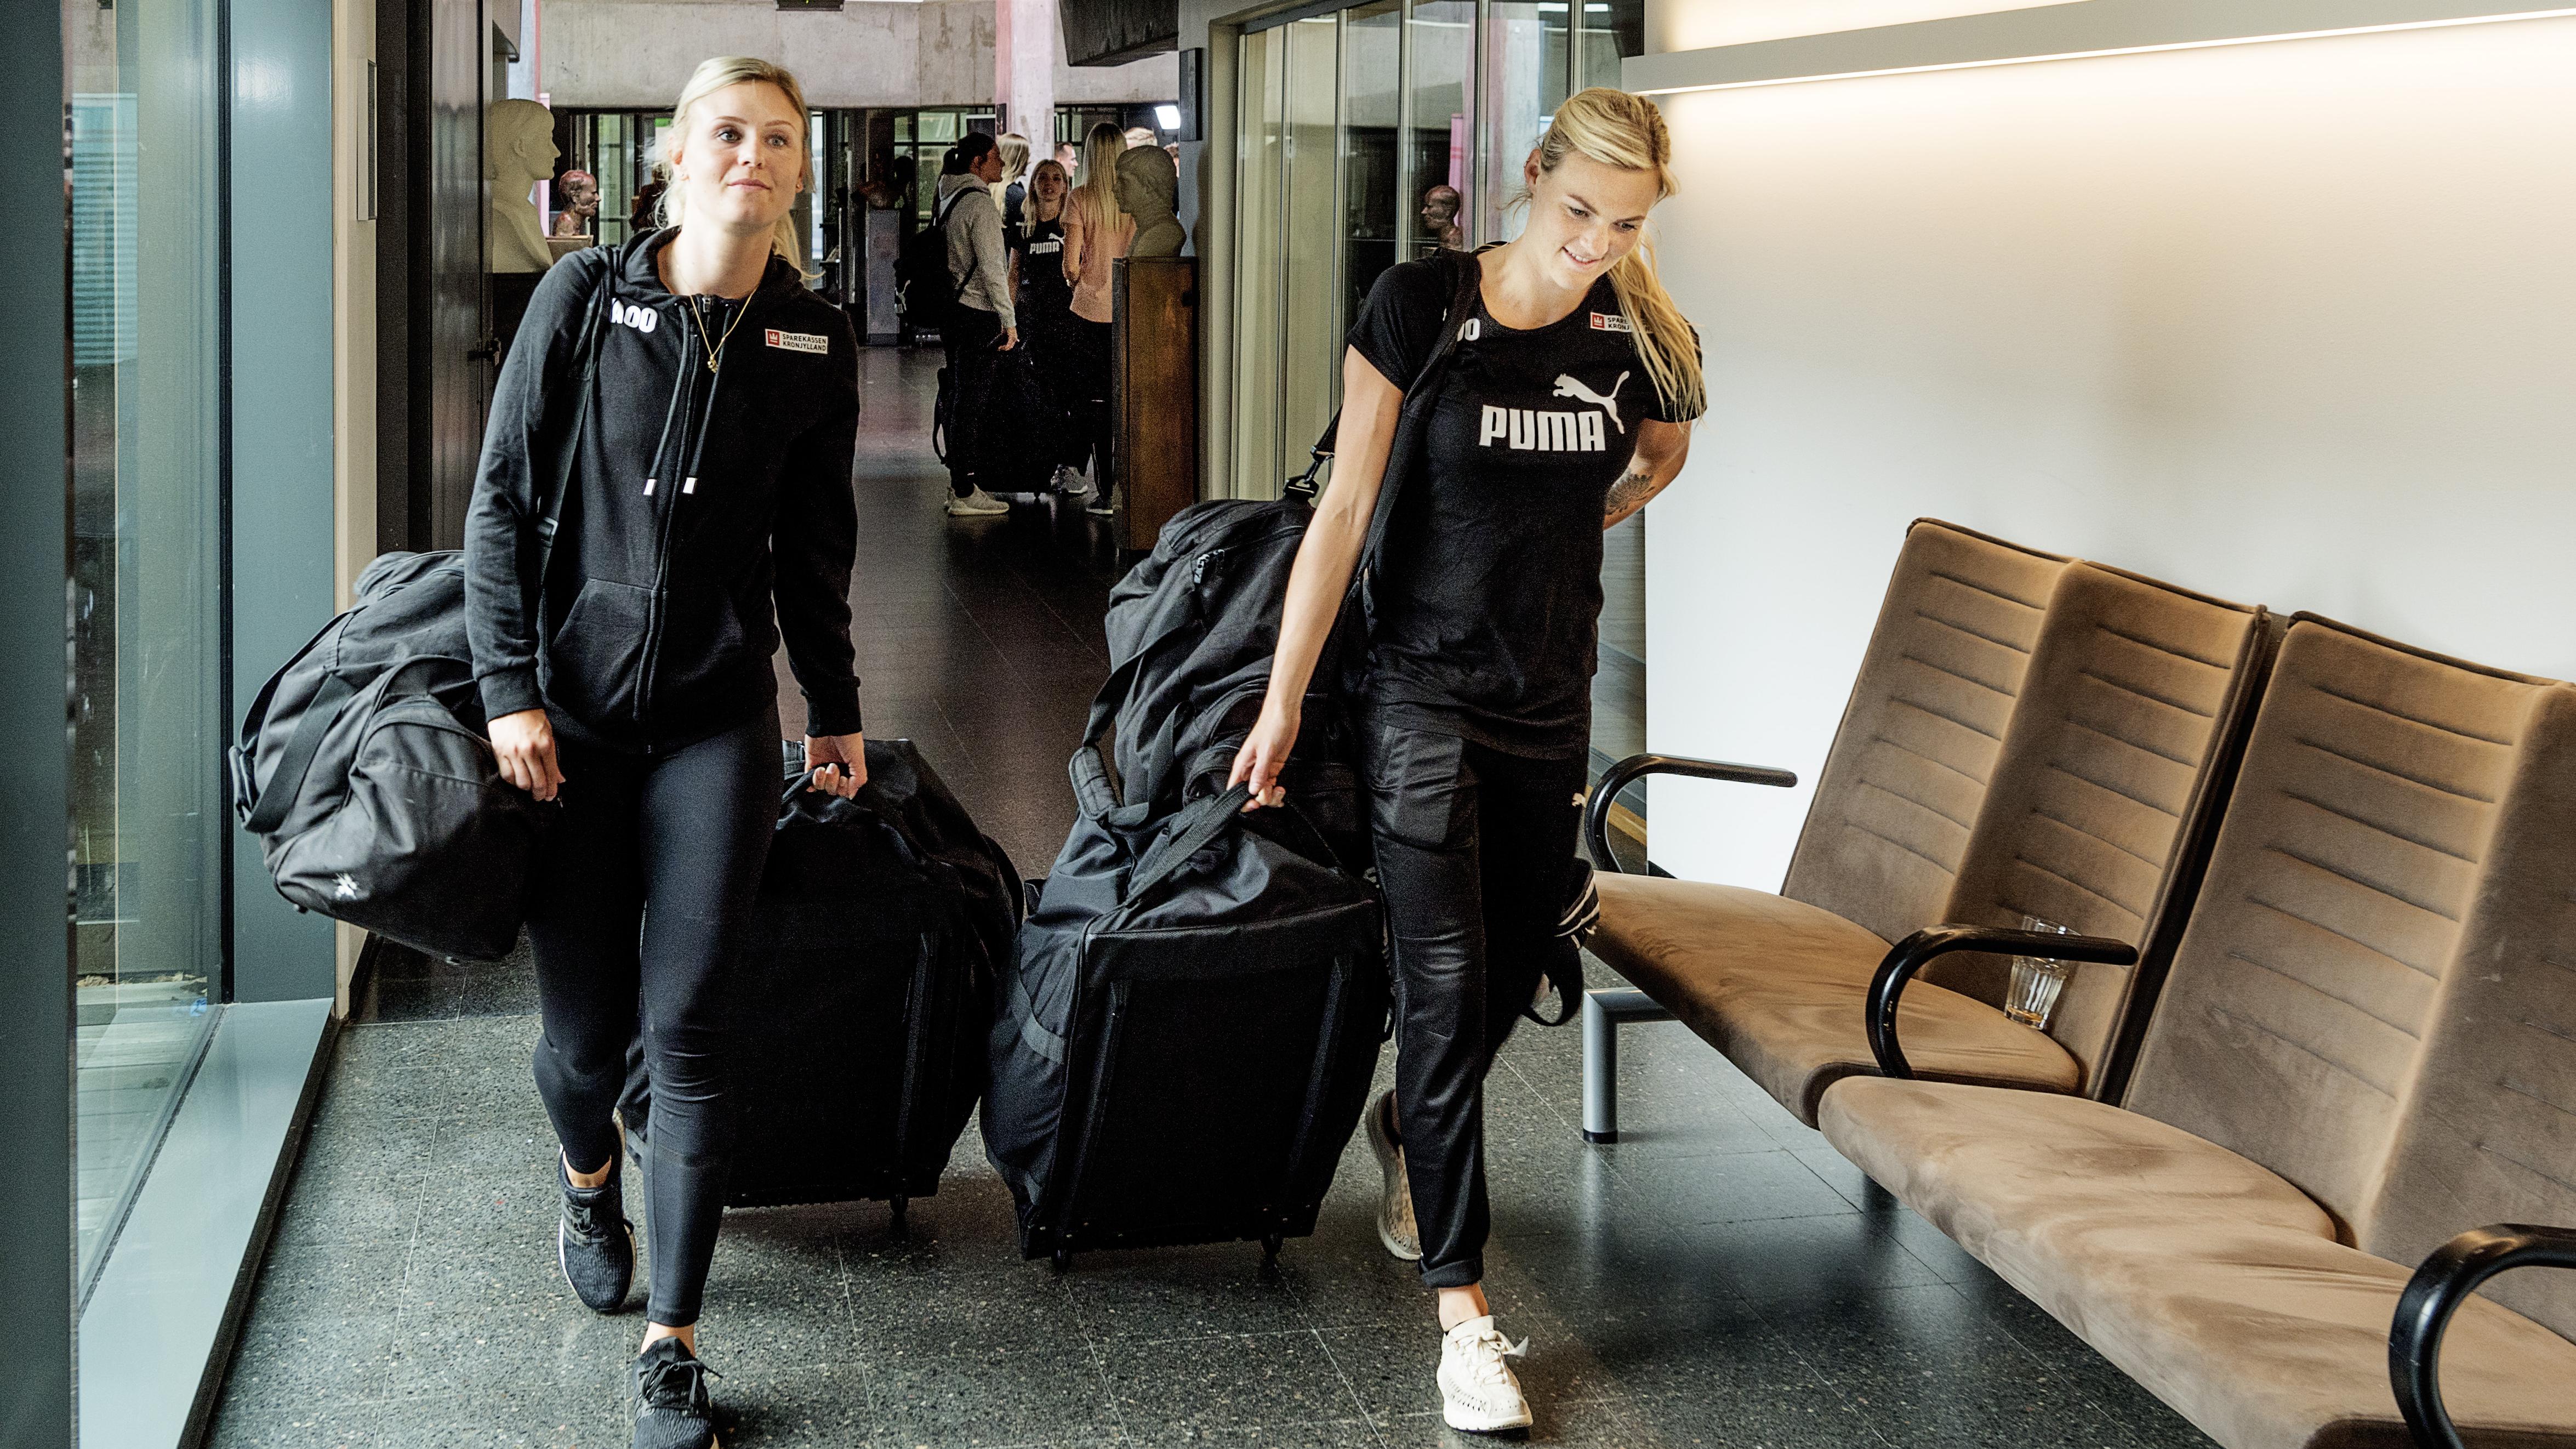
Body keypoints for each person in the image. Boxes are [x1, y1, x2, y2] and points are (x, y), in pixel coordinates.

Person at [1226, 87, 1702, 1436]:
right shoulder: (1421, 304)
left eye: (1624, 225)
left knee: (1510, 967)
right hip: (1418, 697)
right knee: (1440, 990)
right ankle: (1465, 1316)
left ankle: (1407, 1130)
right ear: (1533, 173)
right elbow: (1345, 505)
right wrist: (1283, 696)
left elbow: (1664, 448)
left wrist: (1605, 506)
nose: (1594, 243)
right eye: (1577, 211)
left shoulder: (1643, 335)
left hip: (1548, 707)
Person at [461, 55, 864, 1449]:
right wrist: (508, 688)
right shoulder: (586, 297)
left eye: (778, 139)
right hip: (568, 729)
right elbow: (501, 500)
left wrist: (834, 704)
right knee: (584, 1043)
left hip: (714, 725)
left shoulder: (812, 337)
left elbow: (816, 551)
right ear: (677, 156)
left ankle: (673, 1343)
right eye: (728, 133)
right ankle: (588, 1183)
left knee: (688, 1032)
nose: (753, 155)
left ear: (796, 170)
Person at [935, 132, 1018, 517]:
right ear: (977, 163)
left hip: (954, 310)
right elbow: (993, 269)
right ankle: (965, 490)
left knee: (958, 396)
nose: (1001, 163)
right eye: (995, 156)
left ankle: (959, 483)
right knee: (972, 402)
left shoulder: (949, 197)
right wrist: (1009, 319)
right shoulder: (980, 205)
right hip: (978, 313)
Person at [1059, 122, 1132, 518]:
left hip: (1088, 313)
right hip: (1129, 312)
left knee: (1095, 403)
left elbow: (1070, 265)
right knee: (1125, 401)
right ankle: (1131, 489)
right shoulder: (1134, 199)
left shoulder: (1080, 199)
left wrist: (1079, 282)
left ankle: (1107, 491)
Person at [1011, 158, 1090, 496]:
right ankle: (1042, 464)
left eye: (1056, 178)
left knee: (1070, 391)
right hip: (1033, 321)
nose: (1049, 184)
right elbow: (1013, 274)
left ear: (1065, 185)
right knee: (1041, 394)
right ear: (1033, 185)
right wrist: (1009, 317)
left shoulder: (1070, 223)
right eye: (1043, 178)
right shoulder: (1023, 226)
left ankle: (1071, 466)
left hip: (1067, 319)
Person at [995, 131, 1030, 240]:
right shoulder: (1018, 196)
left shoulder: (991, 189)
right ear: (1018, 160)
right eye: (1027, 157)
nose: (1029, 161)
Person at [554, 168, 601, 237]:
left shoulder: (573, 225)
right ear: (575, 197)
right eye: (593, 193)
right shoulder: (566, 225)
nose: (598, 199)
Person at [1420, 183, 1465, 253]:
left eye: (1429, 207)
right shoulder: (1442, 238)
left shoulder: (1455, 240)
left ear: (1448, 211)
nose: (1424, 212)